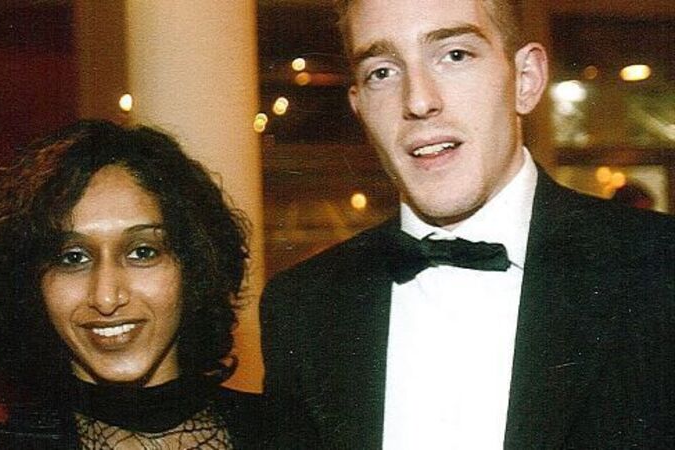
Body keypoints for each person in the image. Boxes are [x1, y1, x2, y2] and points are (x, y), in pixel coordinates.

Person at [260, 0, 675, 448]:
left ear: (525, 79)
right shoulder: (302, 307)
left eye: (454, 55)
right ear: (359, 108)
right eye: (382, 72)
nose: (419, 101)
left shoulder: (658, 270)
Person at [0, 120, 267, 449]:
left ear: (195, 268)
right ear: (30, 286)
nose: (106, 298)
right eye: (73, 258)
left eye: (142, 252)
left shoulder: (287, 433)